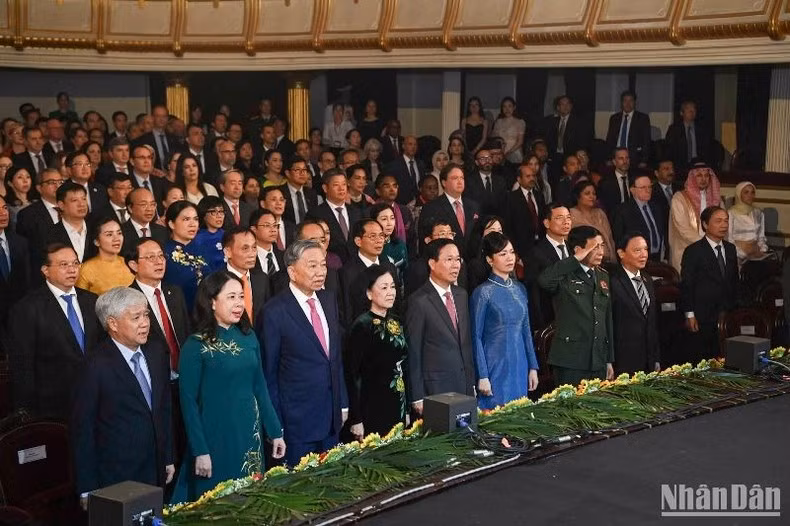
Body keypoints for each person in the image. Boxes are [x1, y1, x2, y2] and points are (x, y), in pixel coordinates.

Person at [173, 271, 285, 502]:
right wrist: (200, 450)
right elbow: (188, 403)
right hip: (214, 437)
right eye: (231, 297)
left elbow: (260, 389)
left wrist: (275, 432)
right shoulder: (195, 345)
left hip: (248, 433)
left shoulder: (248, 336)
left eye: (241, 297)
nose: (239, 304)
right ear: (212, 302)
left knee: (251, 498)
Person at [71, 287, 174, 503]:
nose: (145, 322)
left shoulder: (156, 352)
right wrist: (87, 488)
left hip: (156, 467)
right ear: (113, 323)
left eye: (146, 314)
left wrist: (168, 457)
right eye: (136, 317)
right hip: (116, 476)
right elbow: (83, 430)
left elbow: (164, 408)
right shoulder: (94, 366)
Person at [259, 240, 347, 466]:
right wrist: (275, 426)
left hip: (331, 419)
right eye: (312, 266)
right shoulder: (274, 312)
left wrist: (343, 404)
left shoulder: (328, 300)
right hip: (296, 425)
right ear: (292, 271)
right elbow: (269, 374)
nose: (320, 272)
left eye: (323, 265)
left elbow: (334, 359)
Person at [8, 243, 102, 420]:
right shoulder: (27, 308)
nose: (72, 269)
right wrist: (26, 411)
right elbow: (23, 366)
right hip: (52, 407)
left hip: (95, 399)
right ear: (45, 270)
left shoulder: (91, 301)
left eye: (75, 263)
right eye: (63, 265)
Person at [538, 225, 615, 387]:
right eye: (595, 247)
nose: (601, 252)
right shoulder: (565, 274)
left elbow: (606, 319)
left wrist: (608, 359)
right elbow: (544, 281)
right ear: (579, 250)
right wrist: (574, 260)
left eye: (602, 246)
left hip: (597, 358)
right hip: (571, 360)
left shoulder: (602, 275)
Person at [406, 238, 475, 416]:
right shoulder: (419, 301)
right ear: (432, 263)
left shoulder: (461, 295)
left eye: (458, 259)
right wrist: (417, 396)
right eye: (449, 259)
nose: (455, 265)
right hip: (435, 388)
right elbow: (414, 351)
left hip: (464, 384)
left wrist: (471, 382)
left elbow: (465, 343)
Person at [471, 232, 538, 409]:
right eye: (502, 254)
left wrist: (533, 367)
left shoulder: (520, 288)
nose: (510, 258)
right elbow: (475, 336)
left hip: (520, 362)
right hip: (495, 363)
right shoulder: (483, 292)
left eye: (511, 252)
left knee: (519, 413)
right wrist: (483, 375)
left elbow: (526, 330)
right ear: (489, 260)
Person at [345, 265, 408, 440]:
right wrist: (356, 418)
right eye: (384, 287)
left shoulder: (397, 322)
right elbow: (352, 375)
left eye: (393, 286)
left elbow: (404, 366)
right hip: (372, 405)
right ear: (369, 293)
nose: (391, 292)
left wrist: (407, 408)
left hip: (398, 402)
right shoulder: (362, 326)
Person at [680, 206, 738, 360]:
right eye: (718, 221)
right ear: (705, 225)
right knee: (705, 358)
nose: (724, 225)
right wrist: (689, 314)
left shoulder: (731, 249)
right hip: (703, 315)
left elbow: (734, 281)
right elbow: (687, 285)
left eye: (726, 221)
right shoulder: (694, 251)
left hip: (726, 314)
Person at [610, 232, 661, 374]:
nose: (643, 254)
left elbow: (652, 322)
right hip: (623, 361)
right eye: (637, 250)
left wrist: (656, 357)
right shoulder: (612, 281)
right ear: (621, 253)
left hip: (649, 360)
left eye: (645, 249)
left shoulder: (647, 279)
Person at [524, 203, 573, 330]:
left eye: (568, 217)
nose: (566, 222)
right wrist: (540, 328)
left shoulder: (574, 248)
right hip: (551, 321)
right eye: (559, 218)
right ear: (546, 223)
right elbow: (534, 294)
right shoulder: (535, 253)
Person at [668, 162, 722, 271]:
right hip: (686, 250)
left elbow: (723, 223)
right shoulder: (679, 198)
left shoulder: (716, 198)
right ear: (692, 177)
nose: (703, 179)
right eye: (699, 175)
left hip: (712, 250)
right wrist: (706, 244)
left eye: (706, 175)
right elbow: (683, 229)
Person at [418, 163, 479, 256]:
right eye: (455, 178)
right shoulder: (431, 207)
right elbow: (425, 242)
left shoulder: (473, 206)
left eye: (462, 178)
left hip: (472, 263)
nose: (460, 181)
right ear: (444, 182)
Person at [307, 169, 362, 264]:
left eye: (344, 184)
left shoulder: (356, 212)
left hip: (356, 267)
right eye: (336, 185)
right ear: (325, 188)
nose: (341, 188)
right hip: (329, 265)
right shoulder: (315, 214)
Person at [163, 201, 209, 311]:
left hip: (206, 312)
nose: (193, 224)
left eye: (196, 219)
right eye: (186, 219)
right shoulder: (164, 253)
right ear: (171, 224)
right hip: (180, 313)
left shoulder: (202, 249)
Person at [611, 174, 667, 261]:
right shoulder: (623, 211)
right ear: (632, 190)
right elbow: (619, 239)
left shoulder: (656, 207)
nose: (648, 190)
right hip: (635, 259)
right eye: (643, 187)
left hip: (658, 258)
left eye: (649, 187)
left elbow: (663, 233)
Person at [76, 217, 134, 295]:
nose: (116, 238)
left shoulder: (130, 264)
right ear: (97, 241)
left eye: (119, 233)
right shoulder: (86, 269)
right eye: (109, 234)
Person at [504, 156, 546, 264]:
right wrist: (514, 250)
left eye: (533, 176)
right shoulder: (511, 198)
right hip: (522, 248)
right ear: (519, 179)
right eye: (528, 176)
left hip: (541, 245)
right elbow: (508, 226)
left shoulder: (539, 195)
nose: (532, 178)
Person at [47, 181, 97, 262]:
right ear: (61, 205)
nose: (82, 204)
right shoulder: (49, 235)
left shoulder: (97, 230)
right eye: (74, 200)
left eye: (84, 199)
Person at [0, 195, 31, 326]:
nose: (3, 213)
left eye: (5, 208)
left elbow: (27, 280)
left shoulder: (20, 242)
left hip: (18, 315)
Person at [569, 181, 616, 262]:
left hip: (607, 260)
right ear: (578, 196)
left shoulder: (599, 213)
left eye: (594, 193)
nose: (592, 196)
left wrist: (613, 259)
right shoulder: (571, 214)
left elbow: (610, 238)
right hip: (586, 261)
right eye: (587, 193)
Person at [728, 181, 771, 266]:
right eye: (746, 192)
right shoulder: (731, 213)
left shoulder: (758, 213)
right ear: (739, 194)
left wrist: (762, 250)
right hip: (737, 256)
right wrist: (743, 254)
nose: (750, 195)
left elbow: (761, 237)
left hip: (756, 254)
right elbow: (729, 239)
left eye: (752, 192)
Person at [605, 90, 652, 168]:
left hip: (634, 157)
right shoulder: (614, 118)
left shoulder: (642, 118)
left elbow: (646, 141)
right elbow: (609, 140)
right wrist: (608, 158)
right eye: (625, 101)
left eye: (630, 101)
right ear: (621, 103)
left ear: (634, 103)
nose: (628, 104)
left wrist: (644, 160)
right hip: (616, 157)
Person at [665, 100, 712, 171]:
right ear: (681, 113)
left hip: (698, 164)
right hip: (680, 164)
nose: (692, 112)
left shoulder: (702, 130)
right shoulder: (674, 130)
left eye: (694, 109)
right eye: (688, 109)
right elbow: (670, 150)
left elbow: (706, 149)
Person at [121, 188, 169, 255]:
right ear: (130, 208)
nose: (149, 209)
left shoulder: (163, 232)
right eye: (143, 205)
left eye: (152, 204)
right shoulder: (120, 233)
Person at [464, 145, 507, 215]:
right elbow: (468, 205)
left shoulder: (500, 181)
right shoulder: (469, 181)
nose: (487, 161)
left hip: (496, 221)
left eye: (489, 158)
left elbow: (504, 205)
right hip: (476, 220)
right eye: (483, 159)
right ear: (477, 162)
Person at [371, 202, 408, 281]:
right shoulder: (370, 247)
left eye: (392, 218)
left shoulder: (400, 245)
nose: (389, 223)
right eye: (384, 219)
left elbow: (405, 273)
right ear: (374, 221)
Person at [386, 135, 426, 205]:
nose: (413, 147)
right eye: (410, 144)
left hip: (419, 204)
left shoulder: (420, 164)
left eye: (415, 144)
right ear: (403, 146)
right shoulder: (394, 165)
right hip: (401, 204)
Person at [192, 196, 226, 272]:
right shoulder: (197, 239)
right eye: (214, 212)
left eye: (221, 211)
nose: (219, 216)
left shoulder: (228, 235)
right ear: (203, 214)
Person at [260, 185, 295, 250]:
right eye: (274, 199)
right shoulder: (259, 228)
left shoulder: (293, 228)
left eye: (281, 200)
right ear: (263, 204)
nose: (279, 203)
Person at [492, 97, 525, 164]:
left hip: (514, 151)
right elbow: (494, 137)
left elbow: (520, 141)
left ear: (514, 107)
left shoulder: (520, 122)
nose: (507, 109)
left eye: (509, 106)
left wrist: (508, 153)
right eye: (504, 106)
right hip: (500, 151)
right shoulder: (499, 121)